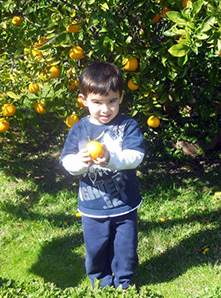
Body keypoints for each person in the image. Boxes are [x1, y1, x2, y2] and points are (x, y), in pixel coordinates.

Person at [59, 61, 145, 289]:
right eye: (97, 102)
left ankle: (124, 282)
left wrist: (111, 158)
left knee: (125, 247)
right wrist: (80, 162)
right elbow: (66, 161)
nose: (105, 109)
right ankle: (100, 282)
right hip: (92, 206)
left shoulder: (128, 125)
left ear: (121, 97)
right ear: (84, 100)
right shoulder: (79, 129)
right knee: (96, 248)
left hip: (124, 202)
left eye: (112, 101)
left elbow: (135, 156)